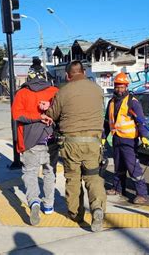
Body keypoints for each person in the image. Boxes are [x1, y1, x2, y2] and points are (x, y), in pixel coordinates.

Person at [45, 60, 106, 232]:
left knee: (73, 178)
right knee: (93, 177)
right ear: (84, 72)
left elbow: (53, 114)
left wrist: (48, 110)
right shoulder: (97, 89)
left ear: (67, 75)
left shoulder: (63, 91)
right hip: (93, 142)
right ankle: (97, 208)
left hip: (71, 143)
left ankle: (76, 214)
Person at [11, 66, 59, 226]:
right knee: (49, 172)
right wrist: (46, 114)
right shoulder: (54, 91)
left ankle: (34, 202)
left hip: (30, 140)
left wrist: (37, 117)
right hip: (50, 138)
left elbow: (17, 114)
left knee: (30, 173)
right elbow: (61, 111)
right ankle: (49, 205)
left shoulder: (22, 93)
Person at [102, 72, 149, 204]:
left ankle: (142, 194)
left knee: (133, 167)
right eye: (117, 86)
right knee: (119, 166)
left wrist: (144, 136)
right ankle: (118, 189)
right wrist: (103, 137)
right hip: (116, 138)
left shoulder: (132, 102)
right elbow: (107, 121)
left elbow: (141, 121)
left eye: (122, 86)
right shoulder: (111, 102)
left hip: (129, 140)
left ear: (126, 87)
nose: (119, 89)